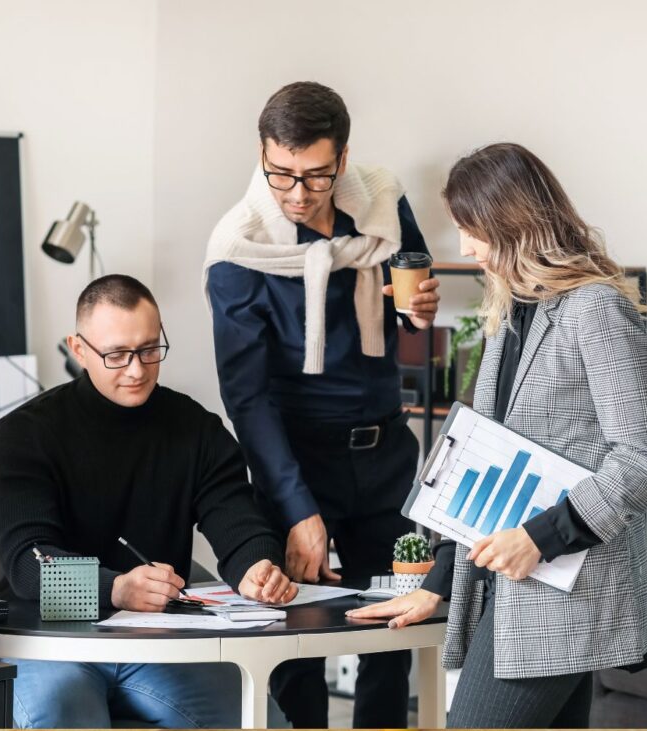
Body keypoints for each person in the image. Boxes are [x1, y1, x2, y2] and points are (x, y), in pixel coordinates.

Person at [347, 142, 647, 728]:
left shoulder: (595, 309)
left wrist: (539, 538)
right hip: (516, 585)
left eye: (471, 230)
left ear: (512, 223)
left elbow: (642, 457)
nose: (465, 248)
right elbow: (482, 456)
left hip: (563, 591)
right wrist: (438, 583)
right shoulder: (511, 314)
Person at [204, 81, 440, 728]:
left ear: (343, 158)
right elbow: (246, 397)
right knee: (296, 641)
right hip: (297, 461)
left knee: (391, 630)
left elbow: (409, 287)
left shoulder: (383, 201)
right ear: (261, 153)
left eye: (316, 175)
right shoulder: (239, 248)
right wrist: (297, 509)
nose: (298, 193)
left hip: (386, 451)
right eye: (281, 174)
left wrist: (418, 312)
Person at [0, 274, 297, 729]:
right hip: (47, 641)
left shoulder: (195, 429)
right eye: (117, 355)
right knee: (64, 711)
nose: (137, 370)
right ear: (78, 350)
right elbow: (27, 564)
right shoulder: (25, 433)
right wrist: (115, 588)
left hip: (155, 640)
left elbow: (237, 520)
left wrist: (258, 567)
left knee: (262, 720)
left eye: (150, 349)